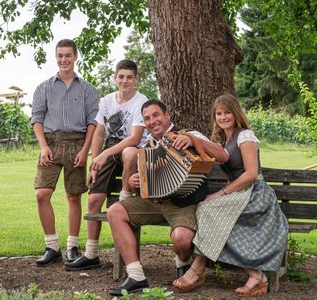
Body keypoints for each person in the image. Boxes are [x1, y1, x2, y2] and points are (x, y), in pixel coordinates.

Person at [106, 100, 229, 296]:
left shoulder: (189, 134)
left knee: (181, 239)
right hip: (154, 203)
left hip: (184, 203)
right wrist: (134, 181)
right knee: (115, 211)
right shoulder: (146, 145)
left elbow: (223, 155)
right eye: (147, 118)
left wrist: (193, 140)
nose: (152, 121)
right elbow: (140, 183)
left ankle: (183, 262)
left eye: (156, 115)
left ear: (167, 115)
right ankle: (136, 276)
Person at [173, 94, 289, 297]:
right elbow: (205, 153)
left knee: (211, 212)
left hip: (256, 195)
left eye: (227, 112)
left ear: (235, 114)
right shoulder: (222, 141)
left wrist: (222, 193)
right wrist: (190, 139)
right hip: (241, 193)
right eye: (218, 113)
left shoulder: (245, 136)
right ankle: (255, 276)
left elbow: (251, 174)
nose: (223, 117)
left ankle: (198, 270)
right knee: (208, 211)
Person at [64, 59, 148, 271]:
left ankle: (125, 197)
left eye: (129, 77)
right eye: (121, 76)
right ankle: (92, 253)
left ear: (136, 79)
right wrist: (95, 159)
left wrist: (105, 154)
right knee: (94, 199)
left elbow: (136, 137)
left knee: (129, 153)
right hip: (110, 149)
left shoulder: (141, 101)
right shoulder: (107, 101)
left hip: (131, 147)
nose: (125, 81)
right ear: (115, 78)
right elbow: (100, 132)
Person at [31, 39, 99, 267]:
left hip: (76, 143)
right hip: (50, 143)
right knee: (42, 194)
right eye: (60, 55)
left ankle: (72, 246)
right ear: (56, 57)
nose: (64, 60)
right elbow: (37, 119)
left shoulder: (88, 90)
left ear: (75, 57)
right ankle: (52, 246)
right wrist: (43, 146)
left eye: (68, 55)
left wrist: (85, 150)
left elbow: (92, 123)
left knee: (73, 196)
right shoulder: (43, 87)